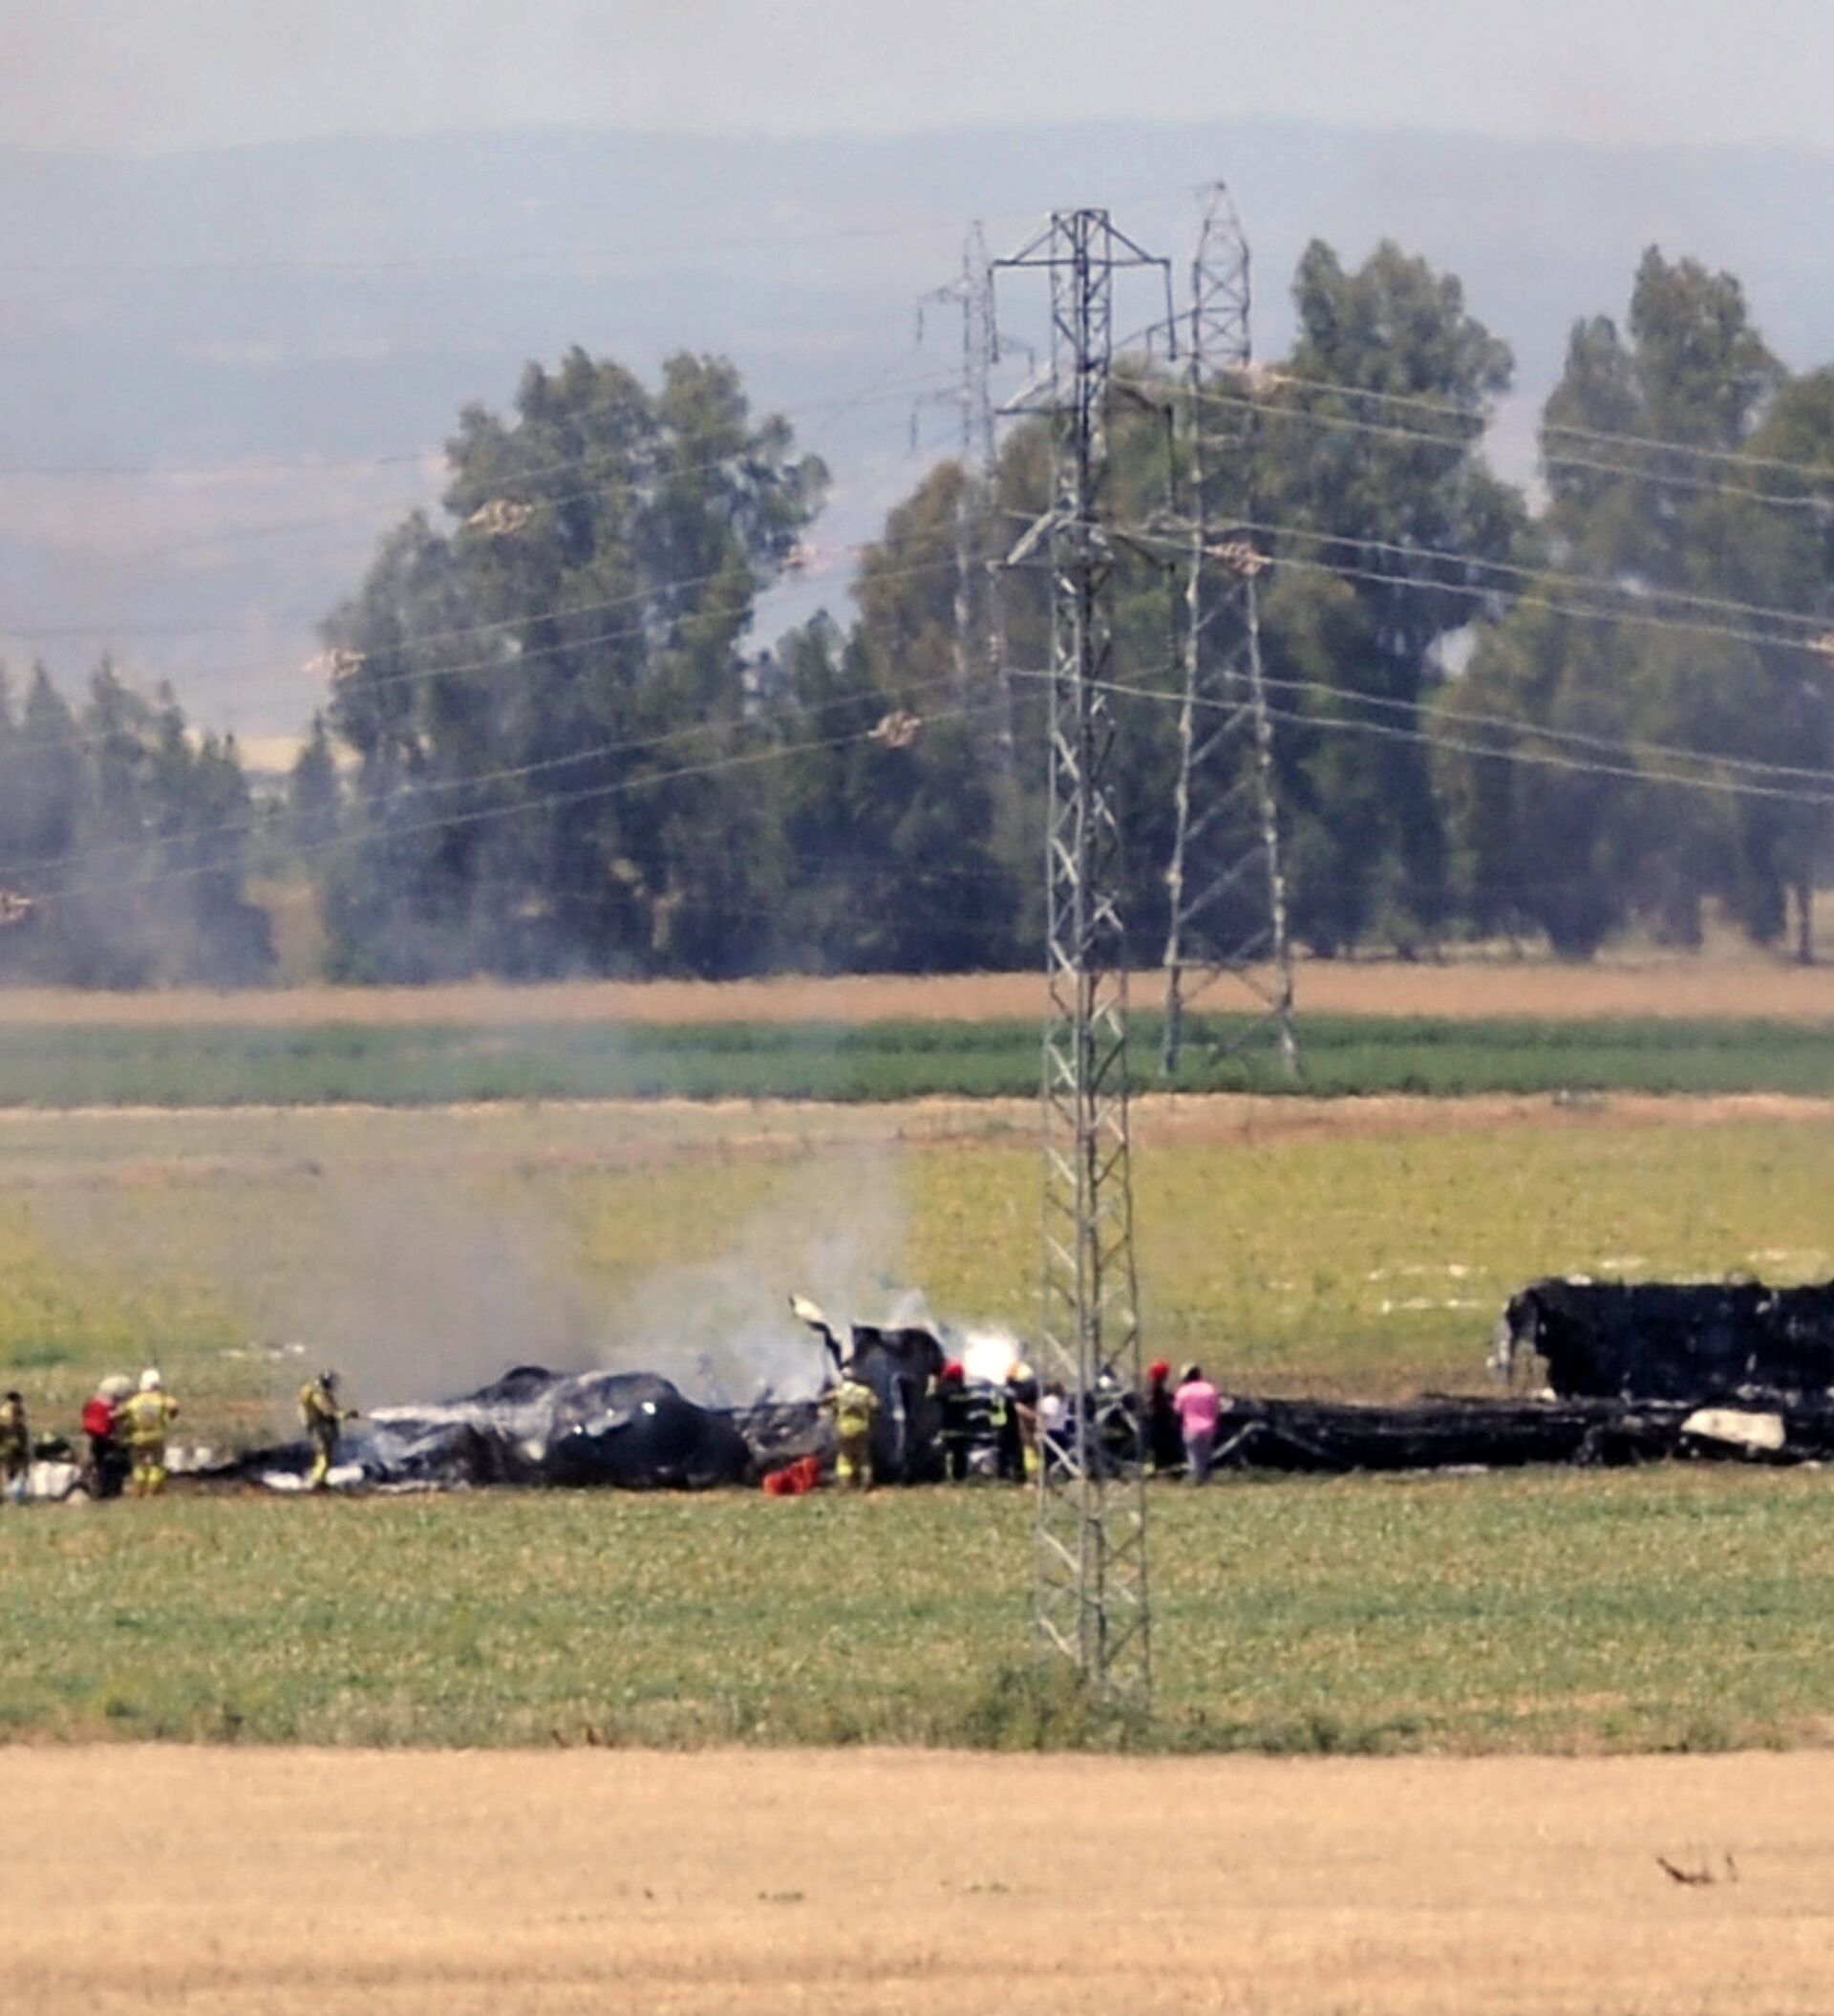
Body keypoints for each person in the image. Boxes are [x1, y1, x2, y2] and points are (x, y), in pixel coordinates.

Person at [118, 1369, 180, 1498]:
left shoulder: (134, 1401)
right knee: (156, 1465)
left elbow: (119, 1414)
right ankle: (151, 1493)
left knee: (139, 1465)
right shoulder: (161, 1399)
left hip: (138, 1437)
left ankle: (138, 1493)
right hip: (157, 1436)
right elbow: (174, 1406)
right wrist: (170, 1416)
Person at [822, 1361, 879, 1491]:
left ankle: (845, 1483)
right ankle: (866, 1481)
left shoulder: (839, 1392)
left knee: (844, 1457)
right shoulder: (865, 1392)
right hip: (862, 1428)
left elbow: (825, 1401)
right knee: (863, 1456)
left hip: (844, 1429)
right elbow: (876, 1407)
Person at [298, 1369, 356, 1490]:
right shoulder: (319, 1395)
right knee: (324, 1456)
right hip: (320, 1430)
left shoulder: (316, 1392)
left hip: (319, 1428)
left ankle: (319, 1480)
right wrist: (345, 1415)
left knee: (324, 1456)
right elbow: (329, 1410)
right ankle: (317, 1482)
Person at [80, 1375, 132, 1500]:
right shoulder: (111, 1407)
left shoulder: (92, 1403)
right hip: (107, 1439)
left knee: (99, 1464)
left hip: (95, 1437)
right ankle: (109, 1490)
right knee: (111, 1464)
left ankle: (100, 1489)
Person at [1172, 1362, 1225, 1486]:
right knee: (1205, 1457)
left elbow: (1177, 1411)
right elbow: (1216, 1409)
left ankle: (1198, 1483)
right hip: (1209, 1429)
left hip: (1191, 1429)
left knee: (1194, 1459)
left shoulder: (1183, 1391)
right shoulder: (1209, 1389)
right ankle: (1205, 1480)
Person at [933, 1361, 973, 1483]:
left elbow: (932, 1397)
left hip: (946, 1429)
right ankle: (960, 1477)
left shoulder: (943, 1390)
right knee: (960, 1455)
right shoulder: (966, 1391)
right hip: (962, 1430)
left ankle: (941, 1476)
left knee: (942, 1454)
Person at [1145, 1358, 1182, 1474]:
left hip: (1154, 1421)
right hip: (1157, 1423)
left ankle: (1157, 1466)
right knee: (1158, 1446)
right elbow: (1159, 1405)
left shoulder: (1152, 1387)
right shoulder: (1155, 1388)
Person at [0, 1389, 29, 1502]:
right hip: (11, 1446)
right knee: (14, 1470)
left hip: (7, 1446)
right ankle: (15, 1494)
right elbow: (13, 1427)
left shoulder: (4, 1409)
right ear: (16, 1400)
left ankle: (9, 1493)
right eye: (20, 1400)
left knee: (9, 1470)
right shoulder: (12, 1409)